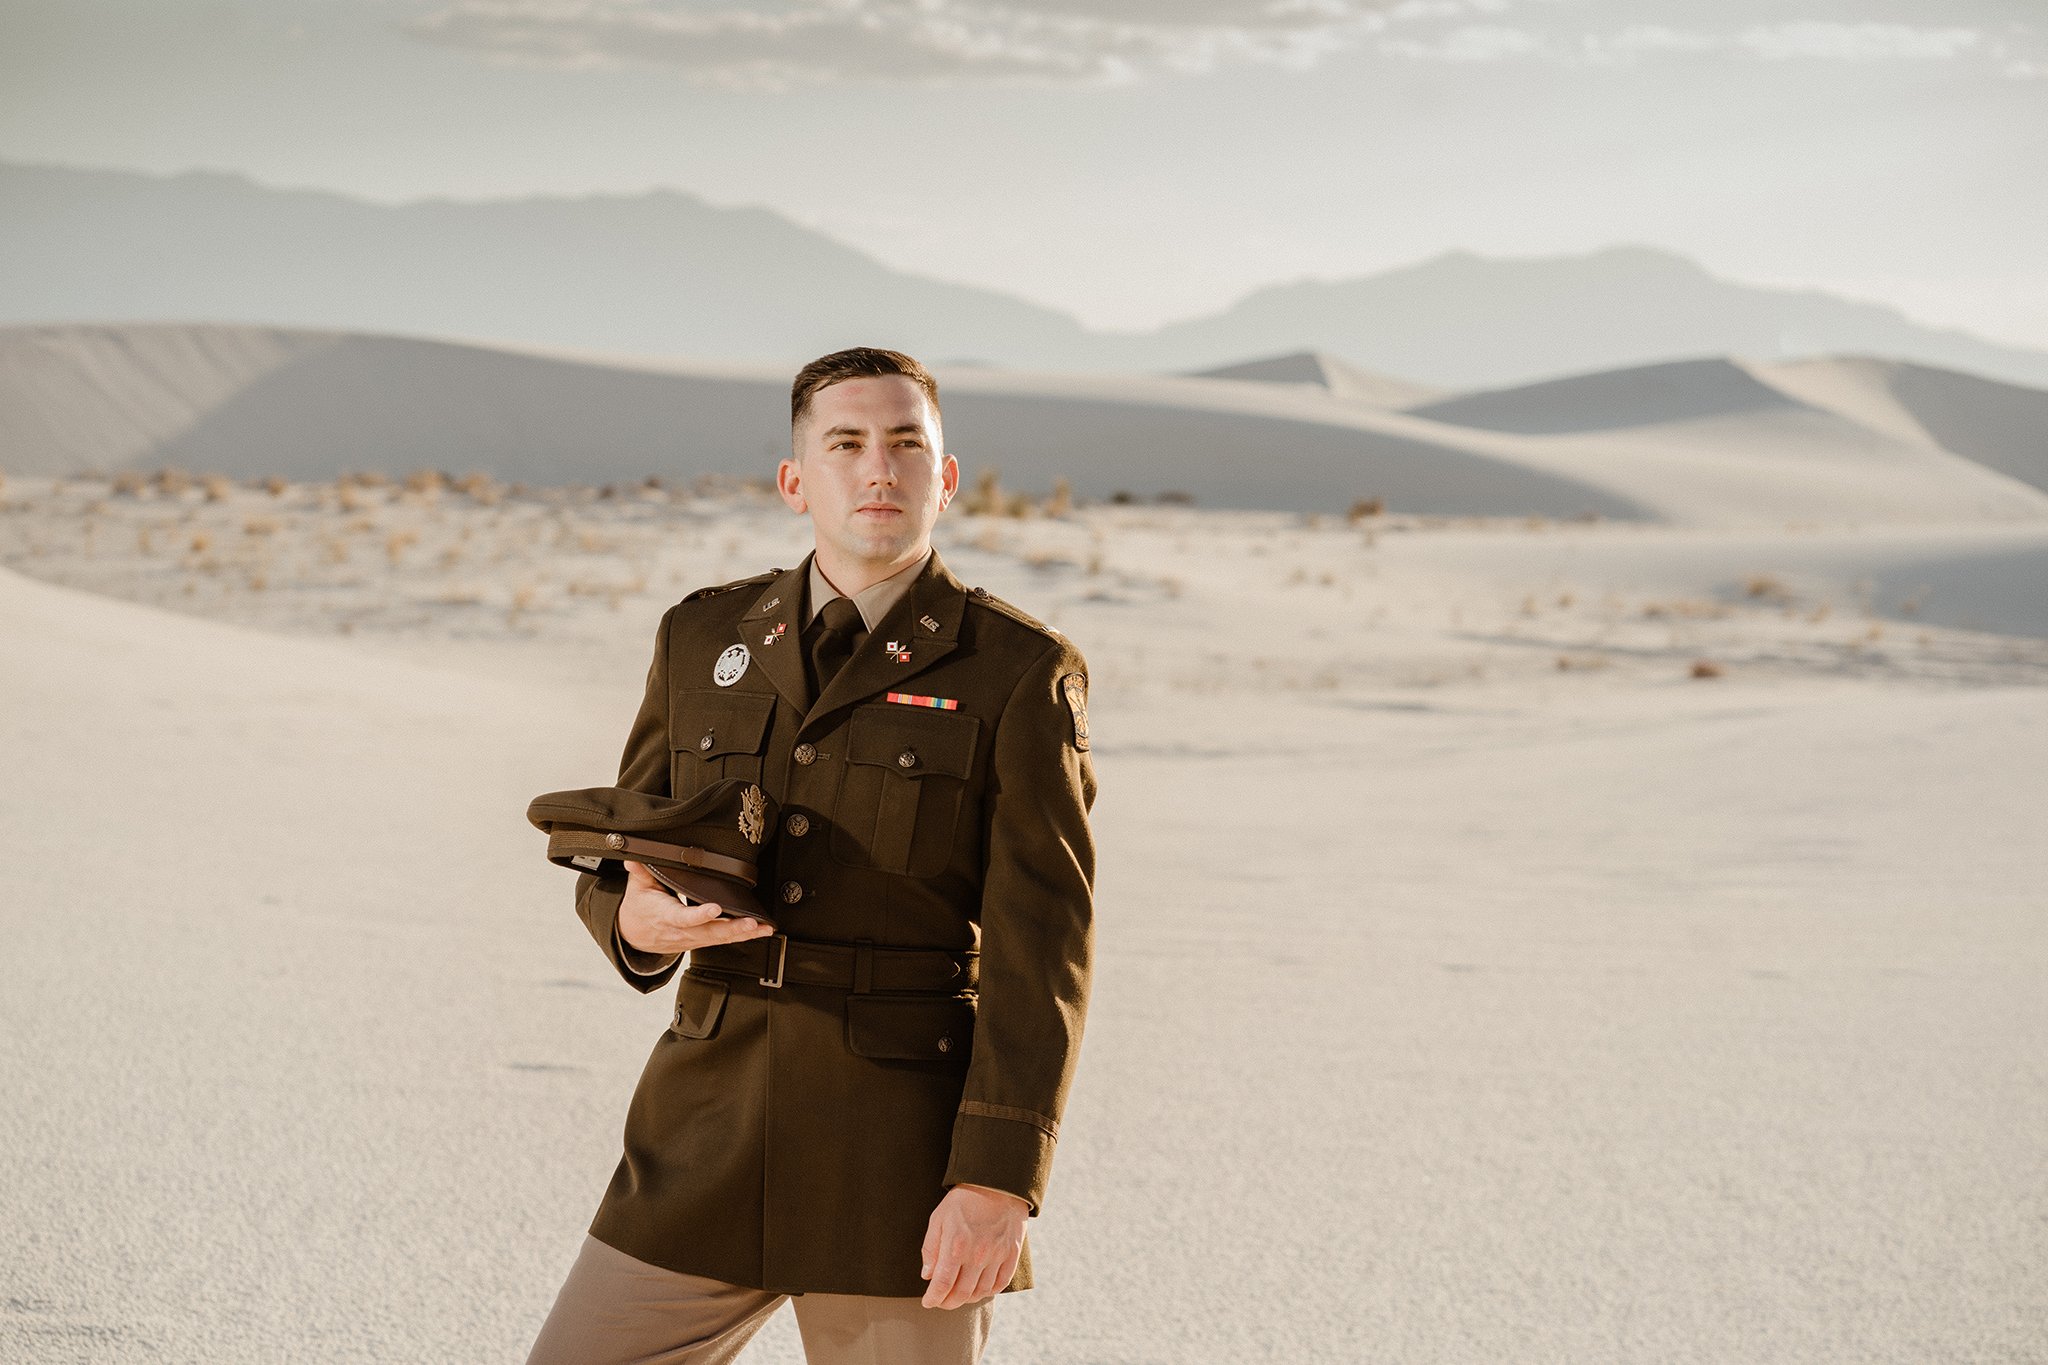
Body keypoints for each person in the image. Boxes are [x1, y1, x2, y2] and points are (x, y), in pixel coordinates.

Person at [525, 346, 1098, 1365]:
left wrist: (997, 1180)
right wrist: (630, 921)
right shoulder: (700, 639)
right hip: (703, 1128)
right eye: (845, 444)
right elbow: (634, 842)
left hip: (901, 1155)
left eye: (904, 444)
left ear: (944, 476)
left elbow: (1041, 949)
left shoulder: (1016, 671)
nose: (877, 469)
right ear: (797, 481)